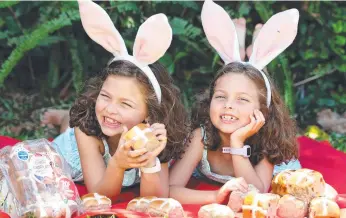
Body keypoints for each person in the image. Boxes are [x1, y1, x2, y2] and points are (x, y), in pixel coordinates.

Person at [47, 0, 189, 200]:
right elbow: (99, 195)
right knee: (70, 130)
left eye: (125, 104)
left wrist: (150, 160)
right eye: (105, 96)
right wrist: (117, 164)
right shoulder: (87, 131)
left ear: (150, 113)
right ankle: (64, 119)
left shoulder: (155, 134)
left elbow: (154, 199)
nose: (111, 109)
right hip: (72, 149)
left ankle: (63, 118)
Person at [169, 0, 301, 205]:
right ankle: (242, 55)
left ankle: (247, 54)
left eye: (242, 100)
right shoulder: (201, 136)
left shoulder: (269, 139)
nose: (228, 105)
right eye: (220, 97)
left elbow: (255, 191)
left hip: (263, 150)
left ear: (263, 112)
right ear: (209, 100)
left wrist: (237, 142)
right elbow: (169, 189)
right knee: (239, 77)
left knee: (252, 80)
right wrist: (216, 196)